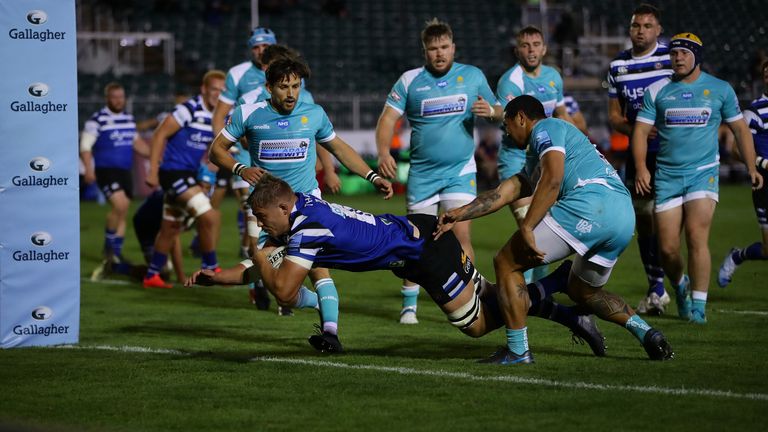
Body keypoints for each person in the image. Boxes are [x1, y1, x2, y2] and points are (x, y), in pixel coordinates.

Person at [186, 173, 607, 361]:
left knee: (478, 324)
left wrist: (257, 252)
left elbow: (280, 289)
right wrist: (216, 277)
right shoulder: (299, 214)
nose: (261, 226)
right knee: (495, 299)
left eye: (263, 218)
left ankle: (555, 283)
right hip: (415, 239)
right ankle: (571, 315)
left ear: (283, 206)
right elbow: (261, 265)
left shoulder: (306, 230)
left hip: (424, 249)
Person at [437, 96, 673, 364]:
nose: (506, 131)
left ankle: (517, 350)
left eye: (507, 124)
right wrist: (458, 213)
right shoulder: (543, 150)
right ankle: (647, 333)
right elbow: (504, 193)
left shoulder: (546, 129)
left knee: (505, 262)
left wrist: (527, 225)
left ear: (521, 118)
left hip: (590, 203)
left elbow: (553, 179)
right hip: (621, 216)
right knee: (584, 292)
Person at [208, 57, 393, 351]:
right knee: (275, 280)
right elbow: (216, 150)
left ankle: (331, 333)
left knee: (318, 268)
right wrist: (240, 169)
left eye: (296, 86)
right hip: (271, 212)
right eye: (284, 87)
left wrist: (371, 175)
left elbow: (340, 149)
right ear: (269, 87)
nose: (291, 93)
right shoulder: (249, 114)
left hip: (308, 204)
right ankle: (308, 302)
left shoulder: (314, 114)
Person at [375, 18, 502, 324]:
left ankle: (470, 297)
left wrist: (493, 112)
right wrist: (383, 153)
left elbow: (501, 111)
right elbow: (387, 120)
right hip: (422, 174)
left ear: (453, 47)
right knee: (416, 238)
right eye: (433, 49)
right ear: (425, 51)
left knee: (461, 234)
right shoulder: (410, 81)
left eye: (444, 47)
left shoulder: (472, 76)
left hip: (460, 170)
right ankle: (409, 304)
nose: (439, 53)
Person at [632, 33, 763, 324]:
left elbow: (741, 130)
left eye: (684, 53)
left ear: (697, 57)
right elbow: (640, 132)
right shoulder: (657, 90)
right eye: (674, 53)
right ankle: (680, 287)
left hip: (703, 175)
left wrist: (752, 167)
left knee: (695, 236)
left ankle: (699, 308)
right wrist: (642, 168)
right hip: (666, 177)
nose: (678, 57)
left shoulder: (720, 89)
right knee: (666, 249)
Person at [607, 4, 673, 316]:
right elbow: (614, 117)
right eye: (636, 26)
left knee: (669, 223)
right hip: (640, 154)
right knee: (645, 220)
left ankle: (678, 285)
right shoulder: (617, 66)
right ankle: (656, 287)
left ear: (658, 30)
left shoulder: (673, 59)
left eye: (648, 26)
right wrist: (639, 131)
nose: (641, 31)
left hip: (674, 153)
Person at [496, 25, 575, 285]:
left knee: (544, 227)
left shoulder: (554, 76)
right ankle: (525, 288)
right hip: (516, 160)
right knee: (528, 223)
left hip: (542, 159)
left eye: (536, 44)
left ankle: (534, 289)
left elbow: (561, 113)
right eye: (525, 45)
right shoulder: (510, 81)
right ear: (517, 50)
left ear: (544, 48)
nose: (531, 50)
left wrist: (576, 139)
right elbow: (506, 121)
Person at [142, 70, 227, 288]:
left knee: (170, 226)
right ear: (204, 89)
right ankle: (212, 267)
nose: (217, 94)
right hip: (172, 172)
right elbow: (160, 134)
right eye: (214, 89)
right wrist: (152, 171)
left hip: (188, 174)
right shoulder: (188, 109)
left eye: (221, 90)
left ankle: (152, 275)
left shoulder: (218, 116)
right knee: (209, 216)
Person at [80, 82, 150, 279]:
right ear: (107, 99)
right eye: (114, 97)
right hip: (106, 171)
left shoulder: (128, 119)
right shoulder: (97, 120)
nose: (119, 100)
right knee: (119, 205)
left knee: (124, 209)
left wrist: (156, 157)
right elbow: (85, 147)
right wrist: (89, 169)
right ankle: (109, 250)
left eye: (121, 97)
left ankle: (114, 254)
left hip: (124, 172)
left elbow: (138, 145)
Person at [719, 60, 768, 286]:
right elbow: (736, 149)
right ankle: (738, 255)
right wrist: (762, 163)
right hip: (764, 184)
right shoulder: (755, 112)